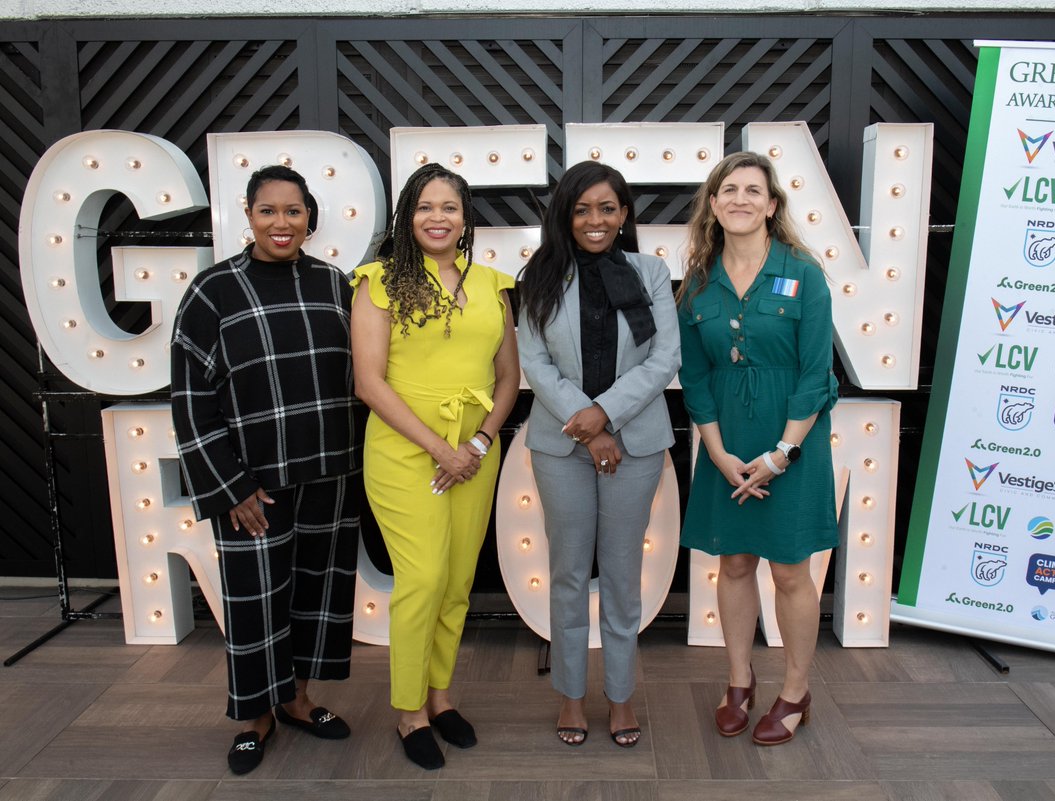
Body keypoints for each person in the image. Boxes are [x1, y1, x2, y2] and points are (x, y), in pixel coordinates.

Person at [171, 165, 363, 775]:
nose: (282, 223)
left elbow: (362, 377)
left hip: (330, 476)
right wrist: (229, 486)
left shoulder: (335, 284)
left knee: (316, 594)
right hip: (253, 485)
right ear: (248, 215)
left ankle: (300, 701)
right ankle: (254, 717)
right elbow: (190, 399)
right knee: (256, 600)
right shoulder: (212, 291)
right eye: (268, 211)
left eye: (294, 211)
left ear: (311, 218)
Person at [350, 163, 519, 770]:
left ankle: (441, 699)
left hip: (476, 451)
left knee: (455, 582)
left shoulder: (496, 284)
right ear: (407, 217)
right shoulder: (377, 282)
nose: (438, 217)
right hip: (404, 452)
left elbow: (508, 378)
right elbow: (369, 382)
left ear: (465, 216)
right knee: (420, 579)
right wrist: (441, 448)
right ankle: (408, 712)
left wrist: (475, 443)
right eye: (425, 207)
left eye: (449, 207)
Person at [675, 151, 837, 746]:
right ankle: (739, 682)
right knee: (735, 562)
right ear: (713, 205)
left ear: (772, 206)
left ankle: (795, 693)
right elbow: (695, 378)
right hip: (727, 445)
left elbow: (816, 375)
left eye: (753, 191)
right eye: (728, 190)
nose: (740, 199)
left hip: (792, 443)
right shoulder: (697, 282)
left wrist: (781, 454)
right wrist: (717, 454)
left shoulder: (804, 273)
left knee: (791, 572)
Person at [518, 161, 680, 748]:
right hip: (561, 446)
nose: (595, 219)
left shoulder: (651, 271)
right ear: (565, 214)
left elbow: (664, 359)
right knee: (566, 573)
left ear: (624, 214)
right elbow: (534, 364)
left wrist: (605, 415)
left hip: (634, 444)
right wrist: (590, 427)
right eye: (582, 208)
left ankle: (619, 696)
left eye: (607, 208)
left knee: (621, 576)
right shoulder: (539, 273)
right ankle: (569, 695)